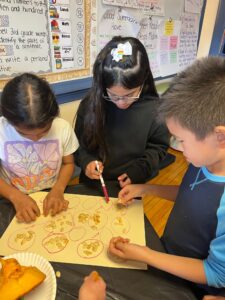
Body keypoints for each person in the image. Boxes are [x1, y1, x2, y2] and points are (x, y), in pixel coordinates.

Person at [109, 57, 225, 298]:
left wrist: (145, 254)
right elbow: (190, 196)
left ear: (220, 137)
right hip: (169, 254)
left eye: (181, 140)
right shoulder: (204, 159)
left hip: (193, 286)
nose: (177, 147)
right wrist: (146, 189)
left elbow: (215, 273)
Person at [74, 36, 172, 188]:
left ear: (143, 80)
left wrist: (139, 171)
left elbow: (158, 148)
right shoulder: (90, 105)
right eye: (113, 95)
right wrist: (86, 162)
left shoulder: (155, 110)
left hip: (131, 186)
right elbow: (78, 145)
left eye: (130, 94)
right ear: (102, 86)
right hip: (93, 183)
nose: (121, 102)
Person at [0, 73, 78, 223]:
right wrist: (15, 197)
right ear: (8, 121)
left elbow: (68, 163)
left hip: (53, 191)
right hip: (11, 197)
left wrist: (59, 188)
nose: (36, 139)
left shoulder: (62, 128)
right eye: (23, 133)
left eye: (44, 131)